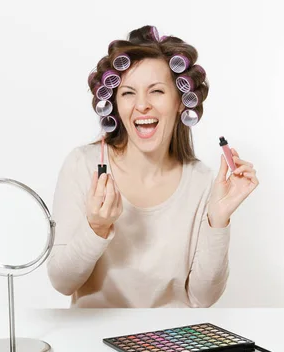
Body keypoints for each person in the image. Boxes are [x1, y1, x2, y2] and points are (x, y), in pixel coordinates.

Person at [47, 25, 258, 308]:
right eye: (128, 93)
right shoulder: (83, 165)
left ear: (181, 103)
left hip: (171, 343)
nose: (142, 105)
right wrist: (96, 227)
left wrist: (217, 220)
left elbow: (202, 297)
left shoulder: (202, 182)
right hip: (94, 341)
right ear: (115, 105)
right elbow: (62, 282)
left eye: (157, 91)